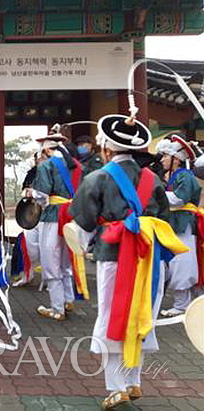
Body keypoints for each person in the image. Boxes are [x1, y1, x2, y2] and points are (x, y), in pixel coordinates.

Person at [69, 114, 181, 410]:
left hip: (115, 255)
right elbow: (164, 221)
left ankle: (115, 387)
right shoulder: (153, 179)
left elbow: (81, 226)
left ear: (106, 148)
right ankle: (133, 382)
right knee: (142, 316)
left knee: (114, 316)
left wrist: (82, 246)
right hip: (150, 255)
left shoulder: (97, 177)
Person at [28, 127, 82, 321]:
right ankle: (68, 300)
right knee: (66, 261)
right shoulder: (75, 165)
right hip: (71, 215)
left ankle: (57, 308)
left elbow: (42, 196)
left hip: (52, 215)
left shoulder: (46, 166)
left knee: (51, 261)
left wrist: (31, 193)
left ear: (46, 150)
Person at [156, 134, 202, 317]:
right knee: (176, 263)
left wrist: (157, 193)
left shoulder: (184, 176)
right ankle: (185, 303)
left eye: (166, 156)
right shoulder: (176, 175)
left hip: (182, 223)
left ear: (176, 159)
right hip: (174, 223)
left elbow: (178, 199)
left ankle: (183, 305)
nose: (163, 159)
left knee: (181, 264)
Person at [13, 151, 48, 287]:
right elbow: (24, 189)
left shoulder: (55, 172)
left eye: (43, 158)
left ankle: (50, 280)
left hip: (49, 214)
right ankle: (28, 275)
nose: (40, 160)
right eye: (38, 158)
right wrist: (27, 193)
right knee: (29, 247)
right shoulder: (32, 172)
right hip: (32, 213)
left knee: (49, 249)